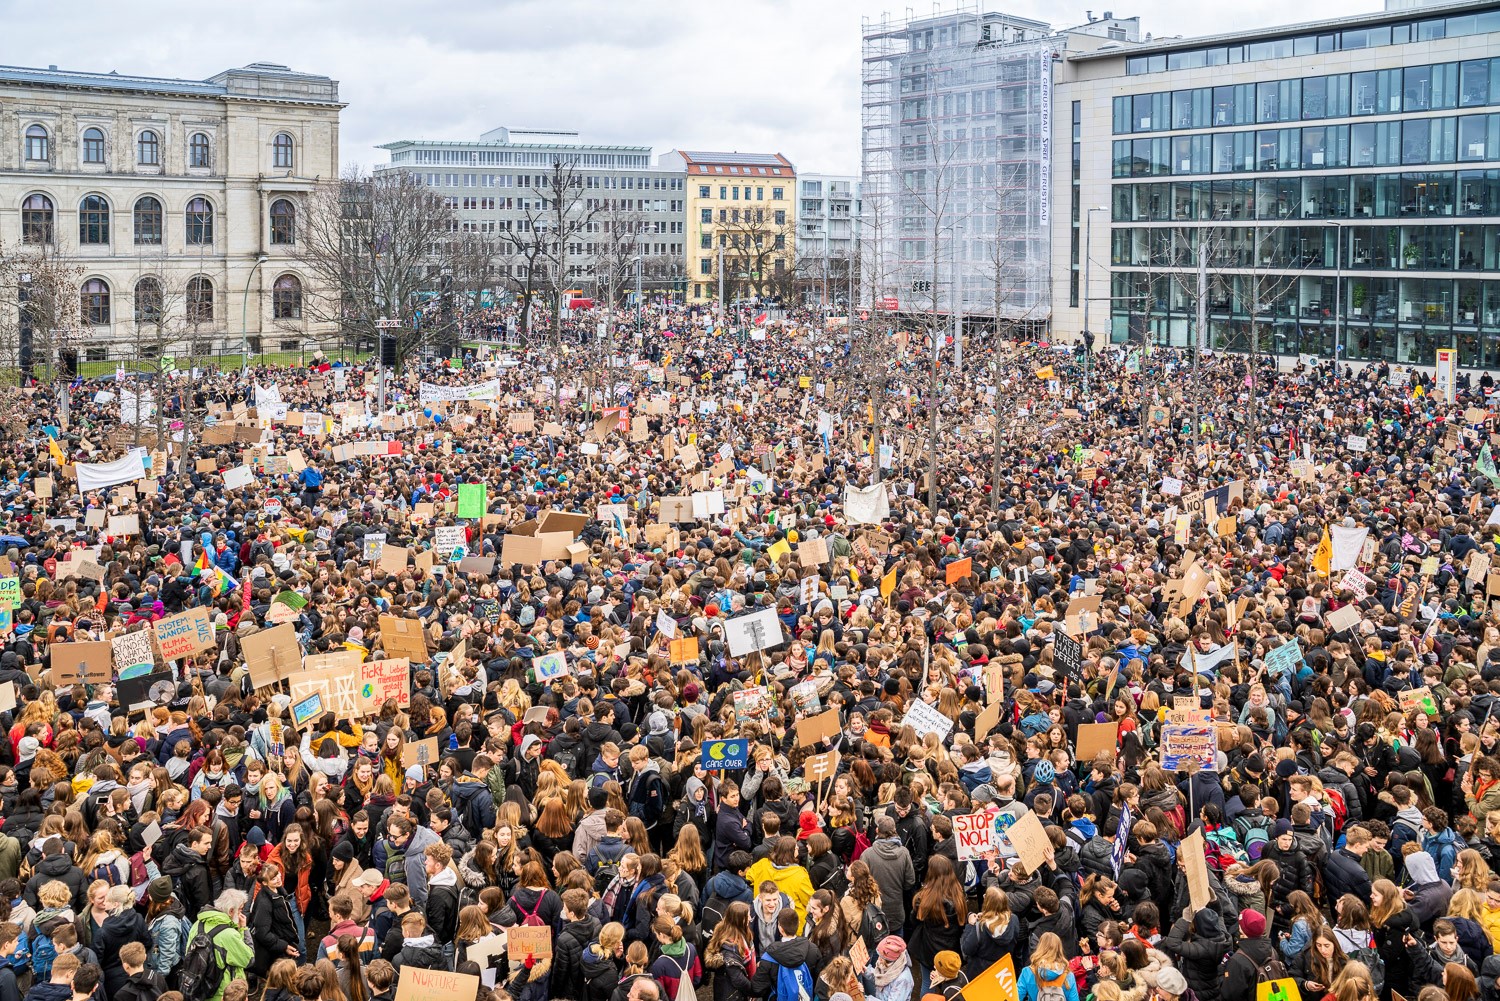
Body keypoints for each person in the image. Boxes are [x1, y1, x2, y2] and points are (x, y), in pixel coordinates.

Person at [183, 890, 255, 1001]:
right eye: (240, 909)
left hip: (199, 988)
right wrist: (243, 929)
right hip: (222, 993)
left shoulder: (197, 924)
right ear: (231, 911)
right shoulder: (229, 934)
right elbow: (248, 959)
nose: (242, 913)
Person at [1017, 933, 1079, 1001]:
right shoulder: (1068, 975)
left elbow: (1016, 997)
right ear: (1059, 949)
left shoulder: (1028, 972)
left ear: (1039, 947)